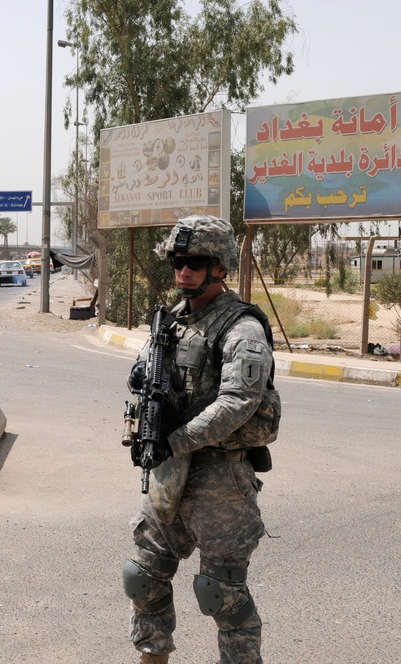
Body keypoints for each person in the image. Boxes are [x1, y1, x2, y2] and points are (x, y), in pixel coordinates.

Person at [122, 215, 279, 664]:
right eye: (178, 262)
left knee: (221, 595)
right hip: (169, 472)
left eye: (195, 262)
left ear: (221, 267)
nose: (183, 271)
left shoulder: (242, 329)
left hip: (219, 478)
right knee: (143, 577)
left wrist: (176, 439)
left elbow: (238, 404)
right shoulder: (170, 322)